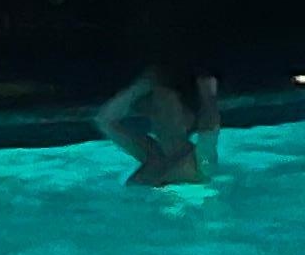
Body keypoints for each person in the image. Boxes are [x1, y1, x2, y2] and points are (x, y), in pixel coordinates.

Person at [93, 26, 220, 185]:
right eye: (155, 108)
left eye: (166, 109)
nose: (157, 115)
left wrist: (208, 96)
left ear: (188, 118)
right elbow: (104, 120)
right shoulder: (152, 154)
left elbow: (209, 129)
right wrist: (142, 85)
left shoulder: (200, 162)